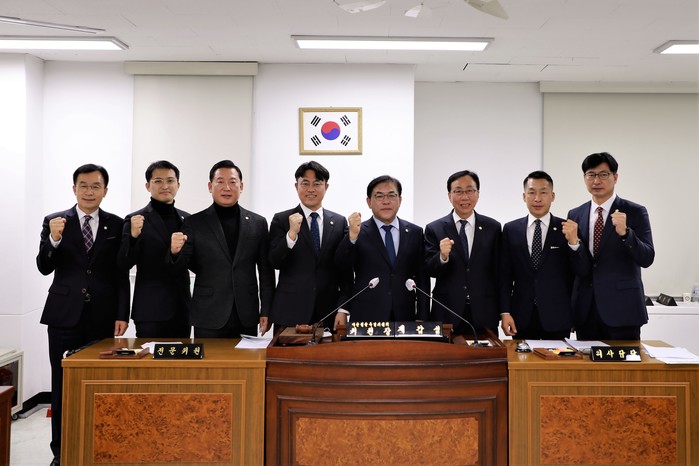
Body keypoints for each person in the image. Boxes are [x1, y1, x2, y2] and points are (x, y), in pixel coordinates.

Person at [36, 164, 129, 466]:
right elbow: (44, 266)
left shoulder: (117, 224)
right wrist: (53, 240)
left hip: (102, 316)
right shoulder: (55, 221)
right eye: (84, 186)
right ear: (74, 188)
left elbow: (121, 273)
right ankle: (61, 452)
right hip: (64, 316)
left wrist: (122, 314)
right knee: (63, 385)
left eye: (96, 186)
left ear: (105, 190)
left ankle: (98, 447)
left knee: (100, 383)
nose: (89, 191)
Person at [169, 160, 274, 338]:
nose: (227, 187)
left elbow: (266, 271)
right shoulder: (194, 223)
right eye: (220, 182)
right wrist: (174, 252)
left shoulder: (258, 223)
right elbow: (181, 267)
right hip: (208, 313)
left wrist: (266, 310)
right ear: (210, 186)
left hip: (246, 313)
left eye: (232, 182)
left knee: (246, 357)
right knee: (209, 357)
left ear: (241, 186)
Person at [565, 152, 654, 340]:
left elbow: (647, 258)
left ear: (615, 177)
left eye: (603, 175)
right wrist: (574, 245)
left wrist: (626, 234)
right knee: (586, 360)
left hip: (623, 309)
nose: (596, 181)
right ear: (584, 178)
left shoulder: (635, 211)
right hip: (586, 309)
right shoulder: (575, 214)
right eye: (591, 175)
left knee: (623, 360)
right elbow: (577, 266)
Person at [268, 161, 352, 330]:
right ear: (296, 186)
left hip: (328, 312)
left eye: (317, 184)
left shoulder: (339, 222)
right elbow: (274, 261)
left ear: (326, 187)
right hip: (289, 311)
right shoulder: (281, 219)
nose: (311, 189)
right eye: (305, 183)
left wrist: (343, 308)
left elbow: (345, 269)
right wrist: (291, 235)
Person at [499, 171, 582, 340]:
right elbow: (504, 276)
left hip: (558, 316)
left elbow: (579, 272)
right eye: (531, 192)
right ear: (524, 196)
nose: (537, 199)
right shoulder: (510, 229)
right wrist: (505, 312)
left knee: (558, 358)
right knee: (521, 357)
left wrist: (574, 243)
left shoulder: (567, 228)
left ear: (552, 196)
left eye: (543, 192)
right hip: (521, 316)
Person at [335, 175, 429, 322]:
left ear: (400, 200)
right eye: (379, 196)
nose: (386, 201)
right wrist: (352, 237)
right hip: (366, 315)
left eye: (391, 195)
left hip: (405, 315)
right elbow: (342, 266)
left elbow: (422, 277)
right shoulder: (357, 231)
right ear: (369, 202)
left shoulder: (415, 232)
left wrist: (423, 316)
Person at [118, 160, 191, 338]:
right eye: (158, 181)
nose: (165, 186)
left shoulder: (188, 220)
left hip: (182, 309)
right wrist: (133, 236)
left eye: (170, 181)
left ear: (178, 184)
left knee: (182, 356)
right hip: (150, 310)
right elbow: (123, 264)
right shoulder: (135, 219)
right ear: (148, 186)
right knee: (149, 356)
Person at [424, 170, 501, 335]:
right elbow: (429, 270)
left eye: (470, 191)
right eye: (458, 191)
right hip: (447, 311)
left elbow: (499, 272)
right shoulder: (434, 228)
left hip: (484, 312)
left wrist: (503, 311)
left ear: (478, 194)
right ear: (449, 195)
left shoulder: (493, 228)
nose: (464, 197)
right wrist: (442, 257)